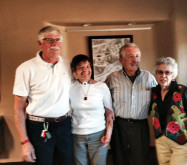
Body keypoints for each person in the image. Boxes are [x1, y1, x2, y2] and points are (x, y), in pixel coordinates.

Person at [13, 26, 73, 165]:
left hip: (65, 125)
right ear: (40, 43)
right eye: (50, 40)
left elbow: (83, 82)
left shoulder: (67, 64)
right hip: (41, 127)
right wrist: (25, 142)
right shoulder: (25, 69)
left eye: (58, 40)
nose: (55, 44)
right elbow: (18, 108)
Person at [105, 43, 157, 165]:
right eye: (130, 56)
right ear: (121, 60)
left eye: (137, 56)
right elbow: (103, 100)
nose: (135, 60)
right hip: (119, 125)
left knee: (141, 160)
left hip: (140, 125)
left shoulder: (148, 77)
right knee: (119, 159)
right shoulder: (112, 78)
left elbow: (159, 97)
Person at [149, 57, 187, 165]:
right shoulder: (154, 92)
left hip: (182, 141)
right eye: (160, 72)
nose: (163, 76)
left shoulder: (182, 91)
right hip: (161, 141)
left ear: (173, 75)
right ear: (156, 74)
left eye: (167, 72)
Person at [70, 54, 113, 165]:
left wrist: (108, 133)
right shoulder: (70, 87)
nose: (85, 70)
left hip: (98, 134)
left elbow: (109, 112)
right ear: (74, 70)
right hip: (77, 135)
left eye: (88, 66)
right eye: (80, 67)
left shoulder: (102, 87)